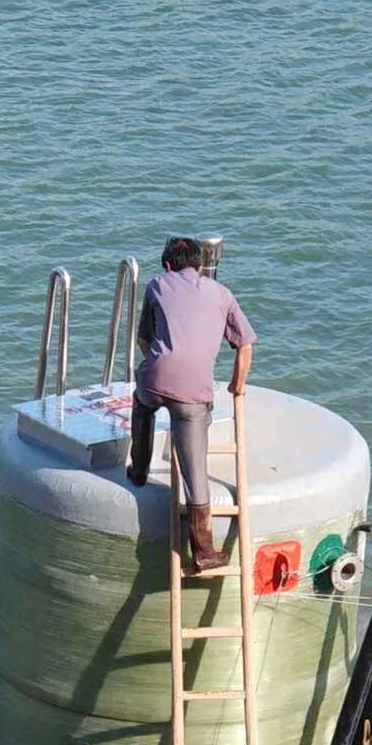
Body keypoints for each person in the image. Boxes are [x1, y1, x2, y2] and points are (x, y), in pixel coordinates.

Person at [127, 237, 257, 572]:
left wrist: (158, 367)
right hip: (194, 398)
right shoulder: (222, 293)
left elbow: (143, 339)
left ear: (168, 265)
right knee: (194, 470)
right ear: (199, 266)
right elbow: (245, 344)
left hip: (155, 382)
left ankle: (138, 470)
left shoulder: (157, 284)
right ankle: (204, 550)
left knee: (141, 405)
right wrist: (236, 384)